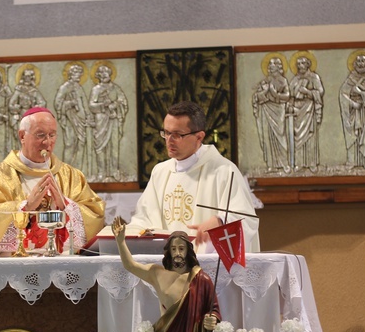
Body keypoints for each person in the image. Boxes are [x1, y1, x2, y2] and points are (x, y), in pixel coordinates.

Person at [0, 107, 104, 257]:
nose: (47, 142)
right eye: (40, 135)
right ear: (22, 136)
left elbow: (95, 214)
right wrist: (25, 206)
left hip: (62, 262)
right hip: (14, 264)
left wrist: (66, 205)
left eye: (52, 135)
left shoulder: (71, 175)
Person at [129, 101, 260, 253]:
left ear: (199, 137)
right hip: (167, 266)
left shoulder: (224, 171)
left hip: (206, 267)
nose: (169, 140)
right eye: (166, 133)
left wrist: (220, 221)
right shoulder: (160, 172)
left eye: (177, 135)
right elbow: (143, 218)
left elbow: (247, 219)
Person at [89, 64, 128, 181]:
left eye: (107, 73)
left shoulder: (115, 88)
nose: (106, 75)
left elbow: (123, 101)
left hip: (113, 119)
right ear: (99, 76)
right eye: (103, 73)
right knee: (100, 147)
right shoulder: (96, 89)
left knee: (114, 145)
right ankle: (101, 172)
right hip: (101, 120)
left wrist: (115, 105)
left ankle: (114, 171)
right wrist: (103, 105)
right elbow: (91, 105)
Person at [252, 57, 291, 173]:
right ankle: (270, 165)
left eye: (272, 65)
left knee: (280, 135)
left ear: (278, 67)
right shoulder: (265, 81)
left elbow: (288, 96)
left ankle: (284, 164)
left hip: (278, 110)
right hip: (265, 109)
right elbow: (256, 96)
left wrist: (275, 94)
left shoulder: (283, 81)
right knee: (267, 136)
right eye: (269, 65)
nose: (270, 67)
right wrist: (265, 91)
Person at [339, 53, 365, 170]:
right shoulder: (351, 78)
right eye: (358, 61)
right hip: (353, 111)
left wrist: (360, 92)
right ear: (354, 64)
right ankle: (351, 161)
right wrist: (352, 103)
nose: (361, 64)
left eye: (363, 61)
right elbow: (342, 94)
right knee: (353, 135)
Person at [288, 54, 325, 173]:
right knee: (298, 137)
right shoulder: (295, 79)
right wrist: (290, 104)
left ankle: (312, 163)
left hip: (309, 108)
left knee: (310, 136)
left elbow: (320, 91)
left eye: (302, 63)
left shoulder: (314, 77)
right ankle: (299, 163)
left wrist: (307, 92)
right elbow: (290, 94)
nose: (300, 66)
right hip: (297, 110)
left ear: (308, 64)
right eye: (298, 64)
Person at [54, 63, 91, 172]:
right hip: (70, 119)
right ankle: (65, 171)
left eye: (80, 74)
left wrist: (88, 116)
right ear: (71, 74)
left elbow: (84, 103)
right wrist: (70, 103)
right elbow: (58, 103)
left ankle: (77, 170)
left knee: (80, 143)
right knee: (70, 143)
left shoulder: (79, 87)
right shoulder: (65, 87)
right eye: (76, 74)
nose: (79, 76)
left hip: (80, 120)